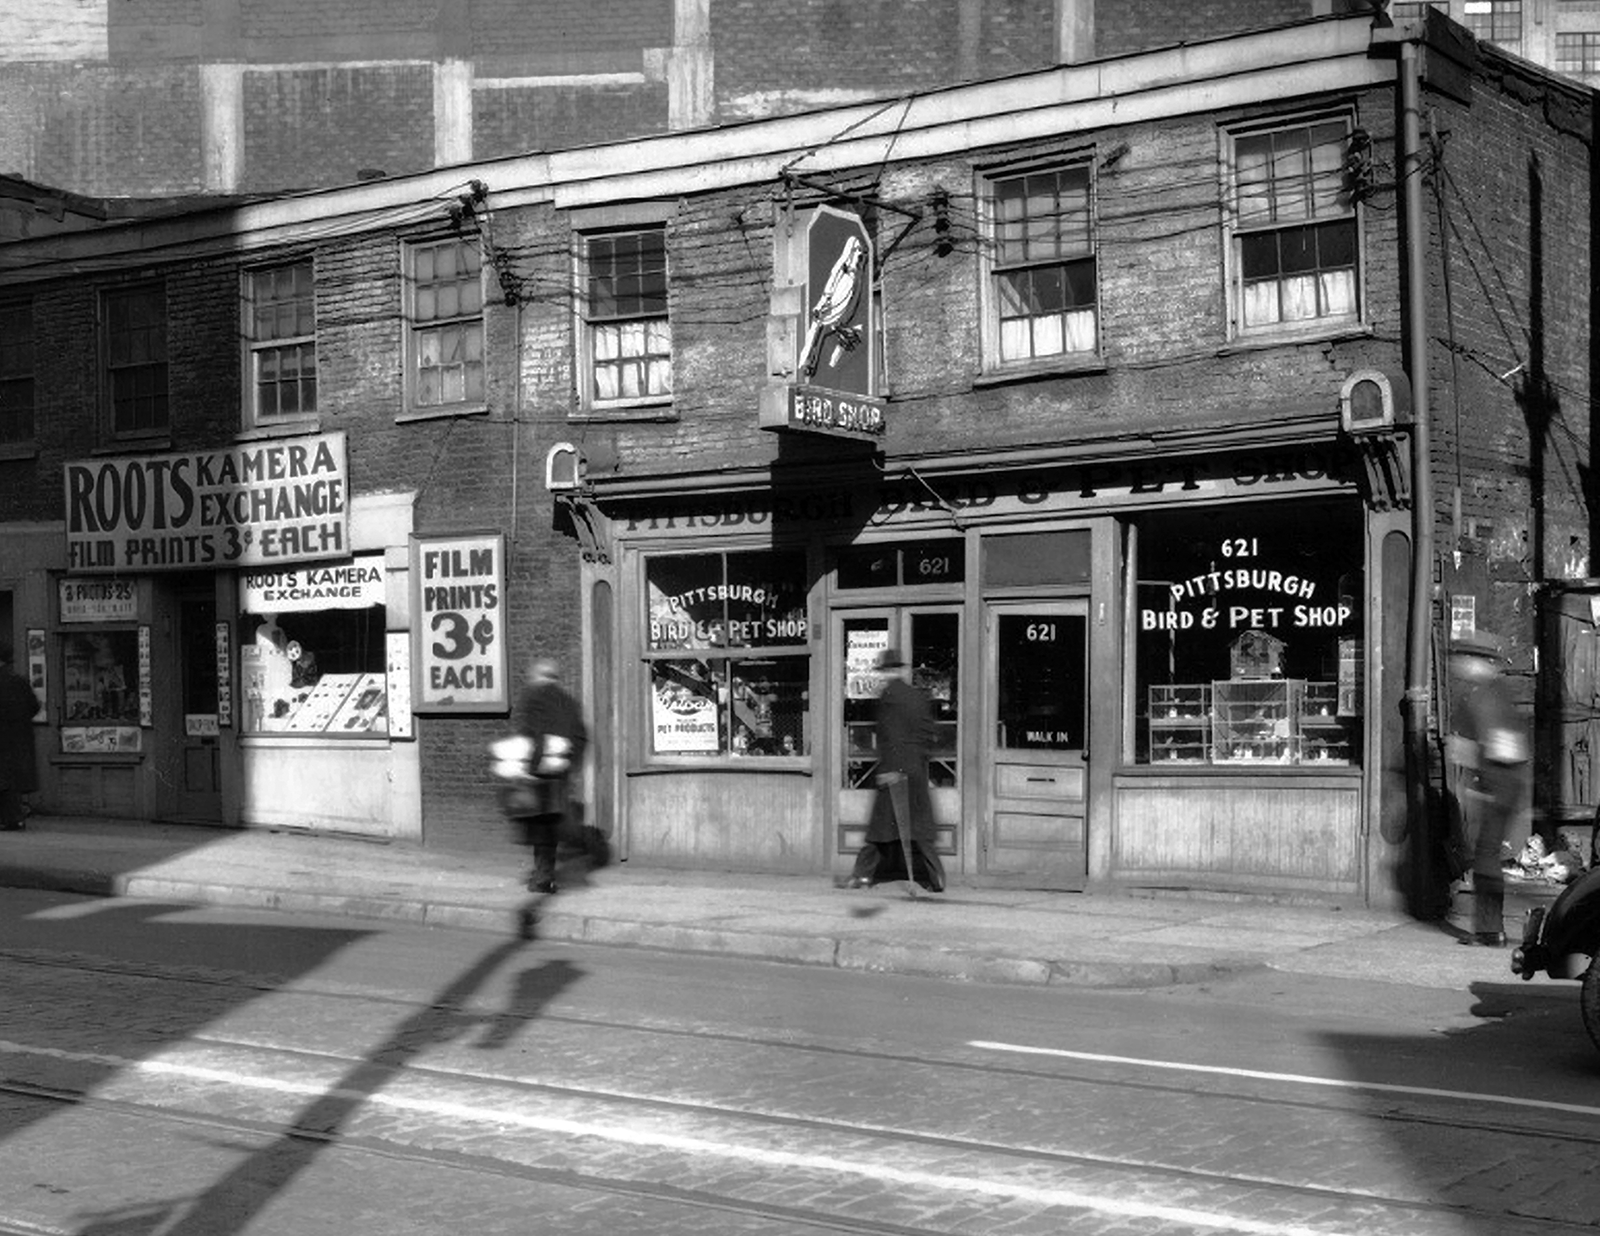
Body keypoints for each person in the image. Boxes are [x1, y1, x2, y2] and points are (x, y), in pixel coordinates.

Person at [1446, 629, 1530, 946]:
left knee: (1485, 856)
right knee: (1487, 854)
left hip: (1496, 784)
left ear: (1478, 662)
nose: (1458, 664)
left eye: (1464, 658)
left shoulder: (1483, 696)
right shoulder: (1496, 692)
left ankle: (1490, 930)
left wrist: (1482, 785)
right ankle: (1489, 928)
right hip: (1506, 784)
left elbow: (1498, 747)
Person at [847, 648, 946, 892]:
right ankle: (937, 878)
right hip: (914, 769)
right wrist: (918, 763)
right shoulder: (918, 697)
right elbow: (928, 734)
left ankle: (862, 876)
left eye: (884, 670)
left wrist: (893, 768)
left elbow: (889, 737)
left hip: (895, 770)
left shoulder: (888, 697)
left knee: (880, 829)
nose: (885, 675)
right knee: (919, 829)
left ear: (888, 671)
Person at [507, 656, 591, 895]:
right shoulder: (569, 701)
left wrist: (529, 768)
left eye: (533, 677)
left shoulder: (533, 697)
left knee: (539, 825)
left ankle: (543, 876)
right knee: (550, 824)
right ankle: (544, 874)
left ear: (539, 676)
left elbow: (534, 734)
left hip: (538, 773)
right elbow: (581, 736)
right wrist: (570, 765)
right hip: (559, 774)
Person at [0, 643, 42, 832]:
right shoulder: (19, 681)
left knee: (5, 781)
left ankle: (12, 819)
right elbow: (34, 706)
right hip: (18, 739)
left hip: (4, 740)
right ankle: (15, 818)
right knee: (11, 780)